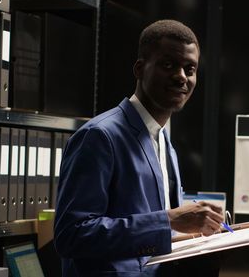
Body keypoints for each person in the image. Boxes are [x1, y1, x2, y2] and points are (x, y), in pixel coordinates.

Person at [54, 19, 225, 277]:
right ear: (139, 69)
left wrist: (201, 226)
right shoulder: (99, 136)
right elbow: (72, 235)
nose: (181, 76)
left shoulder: (164, 140)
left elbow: (157, 234)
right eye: (169, 65)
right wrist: (169, 220)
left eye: (190, 69)